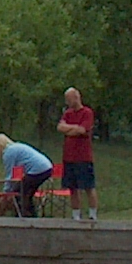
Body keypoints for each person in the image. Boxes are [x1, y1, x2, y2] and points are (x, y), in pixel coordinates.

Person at [56, 88, 97, 220]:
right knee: (73, 188)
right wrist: (74, 128)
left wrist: (69, 129)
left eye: (68, 99)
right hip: (69, 157)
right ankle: (76, 215)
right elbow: (60, 127)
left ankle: (92, 214)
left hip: (83, 157)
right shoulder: (67, 113)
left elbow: (82, 130)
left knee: (88, 187)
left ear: (76, 97)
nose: (67, 102)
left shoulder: (87, 113)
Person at [0, 135, 55, 217]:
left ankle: (22, 215)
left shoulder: (8, 153)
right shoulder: (16, 147)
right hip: (47, 168)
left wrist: (6, 193)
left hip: (38, 170)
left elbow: (9, 175)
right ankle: (31, 215)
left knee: (18, 193)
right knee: (27, 193)